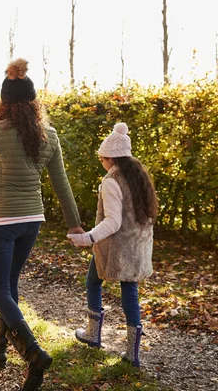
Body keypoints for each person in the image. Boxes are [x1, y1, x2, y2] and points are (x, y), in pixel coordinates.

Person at [0, 58, 83, 391]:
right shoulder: (49, 135)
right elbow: (61, 183)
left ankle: (32, 352)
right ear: (34, 102)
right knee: (9, 288)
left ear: (3, 103)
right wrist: (74, 223)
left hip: (1, 221)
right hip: (32, 220)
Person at [67, 122, 158, 368]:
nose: (101, 163)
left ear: (109, 157)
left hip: (115, 248)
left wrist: (87, 238)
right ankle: (132, 352)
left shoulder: (112, 181)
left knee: (93, 281)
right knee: (130, 292)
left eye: (101, 158)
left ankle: (93, 334)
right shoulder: (138, 177)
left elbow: (113, 222)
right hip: (137, 246)